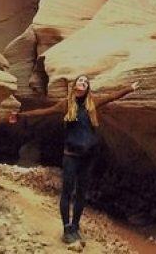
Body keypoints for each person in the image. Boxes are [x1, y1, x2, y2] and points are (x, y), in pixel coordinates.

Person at [8, 75, 139, 244]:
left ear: (87, 88)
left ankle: (76, 226)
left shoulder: (92, 102)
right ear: (75, 86)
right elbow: (43, 112)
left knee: (82, 194)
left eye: (85, 82)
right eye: (80, 81)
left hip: (88, 157)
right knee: (67, 192)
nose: (82, 83)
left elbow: (111, 96)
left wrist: (130, 88)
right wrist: (20, 116)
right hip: (71, 156)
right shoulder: (65, 104)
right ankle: (66, 228)